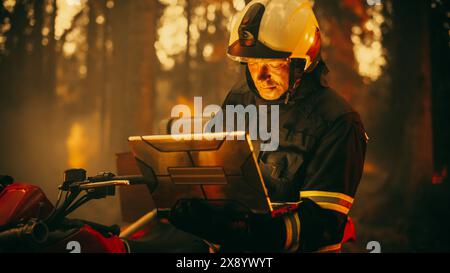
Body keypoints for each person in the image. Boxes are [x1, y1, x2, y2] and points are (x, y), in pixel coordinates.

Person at [168, 0, 368, 253]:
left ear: (303, 63)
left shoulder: (339, 122)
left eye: (274, 65)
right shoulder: (239, 97)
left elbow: (323, 224)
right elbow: (212, 168)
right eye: (252, 64)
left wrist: (249, 231)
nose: (260, 76)